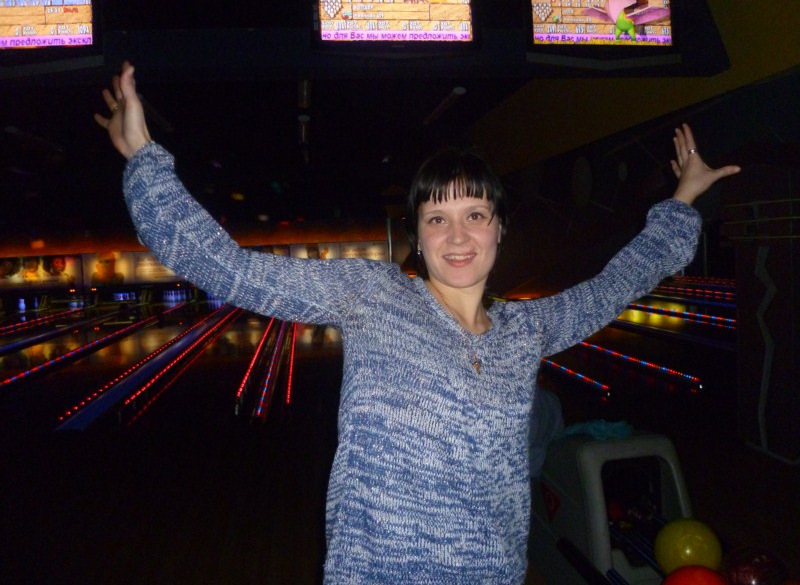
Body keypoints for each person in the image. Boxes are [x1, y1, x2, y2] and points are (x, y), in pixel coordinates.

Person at [95, 62, 740, 583]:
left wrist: (683, 201)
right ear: (418, 236)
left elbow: (612, 289)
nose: (457, 236)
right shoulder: (372, 295)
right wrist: (144, 157)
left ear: (499, 229)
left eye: (475, 215)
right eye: (437, 218)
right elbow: (229, 267)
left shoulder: (527, 330)